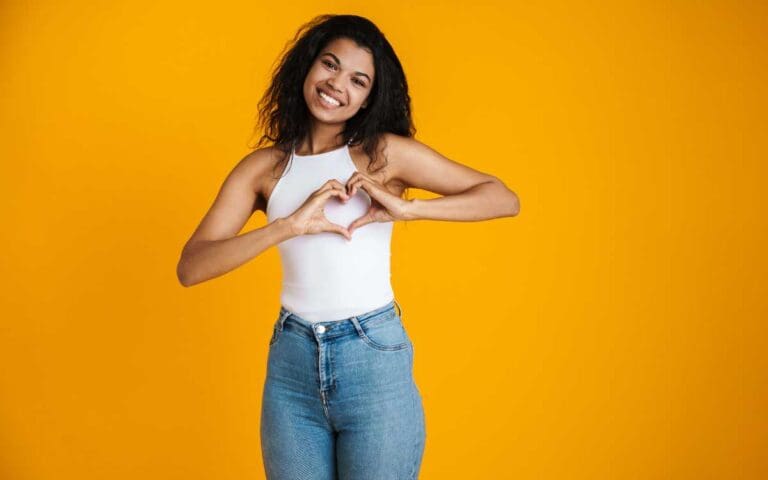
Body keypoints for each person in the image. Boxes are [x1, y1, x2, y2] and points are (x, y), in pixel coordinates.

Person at [177, 14, 519, 480]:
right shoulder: (264, 168)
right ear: (307, 67)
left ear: (367, 98)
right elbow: (192, 266)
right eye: (330, 65)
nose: (337, 85)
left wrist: (410, 210)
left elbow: (502, 198)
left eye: (357, 80)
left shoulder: (383, 154)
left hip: (372, 359)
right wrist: (288, 226)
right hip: (291, 364)